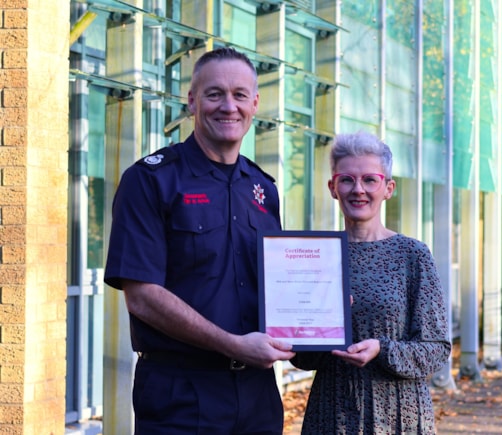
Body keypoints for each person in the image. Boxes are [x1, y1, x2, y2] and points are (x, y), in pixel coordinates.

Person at [104, 47, 295, 435]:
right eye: (214, 94)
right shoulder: (151, 180)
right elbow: (142, 296)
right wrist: (233, 345)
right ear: (191, 101)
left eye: (240, 95)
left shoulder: (263, 189)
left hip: (258, 395)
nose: (229, 106)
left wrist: (323, 308)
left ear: (255, 104)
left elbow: (276, 287)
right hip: (180, 394)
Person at [291, 131, 451, 434]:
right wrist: (322, 326)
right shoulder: (314, 256)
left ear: (388, 188)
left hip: (398, 414)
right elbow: (302, 357)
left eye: (369, 180)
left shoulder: (412, 255)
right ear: (333, 187)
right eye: (347, 180)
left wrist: (382, 349)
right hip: (332, 412)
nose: (358, 190)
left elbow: (435, 350)